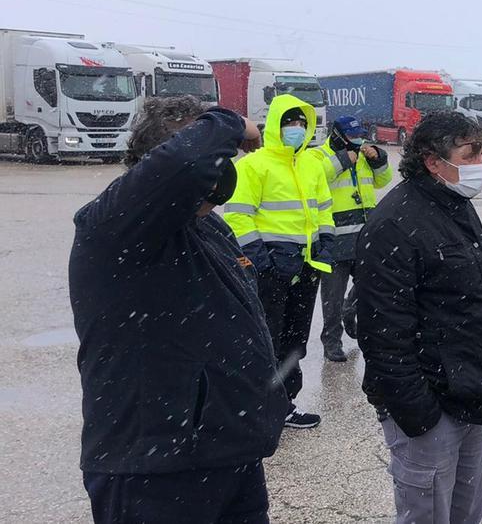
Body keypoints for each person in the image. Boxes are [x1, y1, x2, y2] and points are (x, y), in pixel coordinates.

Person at [69, 96, 289, 523]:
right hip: (155, 470)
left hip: (230, 455)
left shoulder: (208, 225)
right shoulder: (113, 225)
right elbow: (184, 163)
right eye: (212, 157)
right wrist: (229, 122)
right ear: (156, 167)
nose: (220, 170)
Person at [355, 111, 482, 524]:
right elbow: (383, 333)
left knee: (467, 512)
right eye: (470, 152)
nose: (479, 161)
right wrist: (419, 414)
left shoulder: (455, 205)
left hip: (471, 398)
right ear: (432, 160)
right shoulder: (394, 223)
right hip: (431, 408)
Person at [223, 94, 334, 429]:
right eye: (290, 123)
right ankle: (259, 406)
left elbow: (324, 208)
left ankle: (285, 403)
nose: (296, 129)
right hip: (271, 270)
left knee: (295, 340)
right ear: (275, 125)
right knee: (265, 339)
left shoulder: (312, 163)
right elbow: (238, 218)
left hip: (306, 267)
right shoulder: (253, 166)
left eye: (301, 123)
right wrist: (262, 262)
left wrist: (325, 244)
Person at [302, 115, 391, 362]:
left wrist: (378, 159)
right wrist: (342, 161)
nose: (356, 140)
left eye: (359, 134)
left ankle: (349, 309)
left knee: (371, 284)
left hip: (364, 234)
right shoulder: (317, 155)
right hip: (335, 237)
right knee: (332, 295)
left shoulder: (363, 155)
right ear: (337, 134)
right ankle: (332, 341)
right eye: (351, 135)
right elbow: (314, 178)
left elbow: (383, 179)